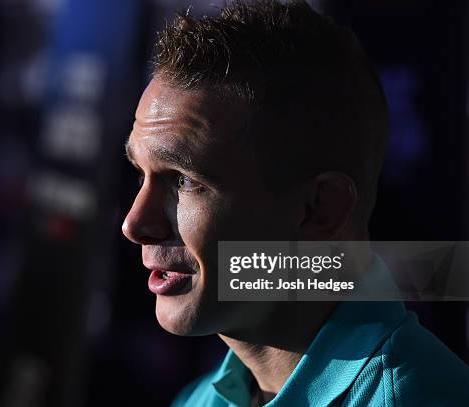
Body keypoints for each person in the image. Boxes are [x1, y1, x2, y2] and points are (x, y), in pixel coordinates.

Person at [121, 1, 469, 406]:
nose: (134, 222)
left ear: (320, 209)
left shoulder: (426, 397)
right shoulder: (198, 400)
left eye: (184, 180)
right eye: (140, 173)